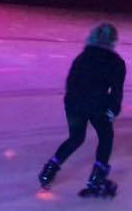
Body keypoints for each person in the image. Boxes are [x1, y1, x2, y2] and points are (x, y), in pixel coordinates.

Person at [38, 23, 125, 198]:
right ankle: (97, 180)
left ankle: (48, 172)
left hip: (74, 103)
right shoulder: (116, 62)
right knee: (106, 137)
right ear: (113, 40)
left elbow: (71, 81)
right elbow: (116, 91)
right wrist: (112, 110)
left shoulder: (83, 56)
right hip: (97, 105)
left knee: (76, 137)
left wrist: (72, 102)